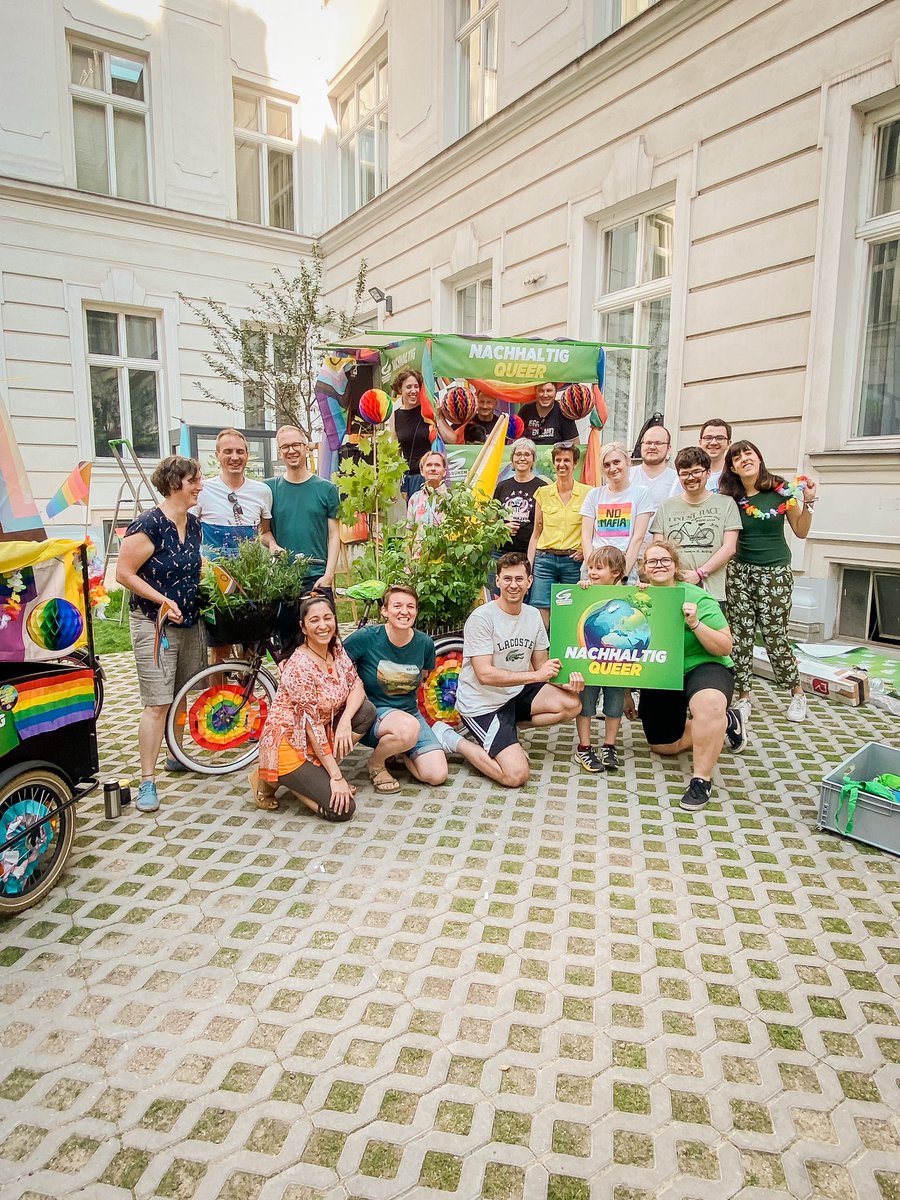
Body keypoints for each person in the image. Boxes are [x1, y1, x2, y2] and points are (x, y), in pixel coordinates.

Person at [116, 455, 207, 814]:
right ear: (173, 484)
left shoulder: (194, 524)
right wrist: (163, 600)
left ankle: (177, 755)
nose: (200, 486)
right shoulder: (148, 525)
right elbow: (124, 574)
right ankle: (147, 780)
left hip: (190, 622)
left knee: (182, 694)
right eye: (193, 480)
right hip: (154, 625)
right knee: (157, 703)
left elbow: (193, 567)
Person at [625, 541, 744, 813]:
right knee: (663, 746)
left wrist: (695, 623)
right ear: (644, 569)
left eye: (665, 560)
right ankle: (726, 722)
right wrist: (625, 692)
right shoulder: (637, 598)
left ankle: (701, 780)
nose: (659, 565)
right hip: (663, 672)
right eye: (652, 561)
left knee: (709, 705)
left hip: (703, 664)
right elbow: (625, 650)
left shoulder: (697, 597)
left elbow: (725, 646)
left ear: (675, 565)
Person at [448, 552, 583, 788]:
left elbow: (542, 665)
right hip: (481, 704)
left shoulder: (533, 615)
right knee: (515, 776)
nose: (513, 585)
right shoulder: (482, 618)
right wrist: (536, 676)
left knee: (572, 703)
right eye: (507, 579)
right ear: (497, 581)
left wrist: (567, 683)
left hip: (514, 694)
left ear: (529, 582)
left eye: (519, 579)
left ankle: (507, 730)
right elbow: (485, 674)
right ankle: (454, 741)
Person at [718, 440, 818, 725]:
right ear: (732, 468)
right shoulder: (730, 498)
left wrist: (809, 502)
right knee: (741, 635)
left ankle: (797, 693)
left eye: (748, 453)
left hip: (775, 572)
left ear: (758, 458)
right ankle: (744, 696)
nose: (744, 459)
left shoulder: (781, 490)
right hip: (739, 572)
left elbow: (800, 531)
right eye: (737, 457)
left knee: (775, 635)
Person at [252, 594, 376, 820]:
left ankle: (308, 775)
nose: (323, 625)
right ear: (303, 627)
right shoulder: (299, 666)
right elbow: (312, 726)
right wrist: (337, 777)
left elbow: (356, 684)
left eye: (328, 618)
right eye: (314, 620)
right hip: (289, 741)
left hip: (317, 734)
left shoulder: (335, 649)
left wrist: (345, 721)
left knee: (365, 712)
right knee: (342, 810)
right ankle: (272, 777)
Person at [344, 585, 448, 793]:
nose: (404, 611)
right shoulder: (366, 637)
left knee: (436, 775)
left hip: (410, 715)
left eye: (410, 606)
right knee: (406, 729)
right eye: (397, 606)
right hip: (373, 717)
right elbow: (336, 663)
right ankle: (376, 764)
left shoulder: (424, 643)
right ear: (384, 610)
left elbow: (423, 677)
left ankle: (400, 748)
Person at [651, 447, 741, 602]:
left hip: (712, 592)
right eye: (684, 473)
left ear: (708, 472)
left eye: (696, 472)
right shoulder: (666, 506)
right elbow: (658, 548)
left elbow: (729, 547)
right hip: (672, 590)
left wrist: (700, 573)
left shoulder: (726, 503)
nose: (690, 477)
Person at [264, 424, 339, 600]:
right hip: (281, 578)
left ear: (306, 448)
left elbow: (334, 535)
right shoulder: (268, 489)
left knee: (322, 620)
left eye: (296, 445)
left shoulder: (327, 489)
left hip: (317, 577)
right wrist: (273, 545)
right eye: (285, 447)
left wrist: (328, 575)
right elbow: (264, 532)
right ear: (279, 452)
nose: (291, 450)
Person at [574, 546, 628, 773]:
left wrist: (644, 589)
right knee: (586, 703)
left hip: (617, 662)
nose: (592, 572)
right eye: (590, 568)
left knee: (615, 705)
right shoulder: (585, 590)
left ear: (616, 573)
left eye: (598, 568)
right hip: (589, 661)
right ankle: (584, 747)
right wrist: (580, 588)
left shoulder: (629, 593)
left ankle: (609, 746)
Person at [527, 442, 591, 629]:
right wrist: (529, 566)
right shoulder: (543, 493)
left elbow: (593, 530)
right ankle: (542, 646)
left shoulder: (589, 493)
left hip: (574, 561)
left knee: (571, 609)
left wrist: (585, 550)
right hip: (545, 559)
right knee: (540, 606)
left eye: (567, 460)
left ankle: (565, 645)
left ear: (575, 463)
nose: (562, 464)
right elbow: (536, 532)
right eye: (558, 460)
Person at [195, 428, 273, 559]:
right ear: (217, 455)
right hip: (212, 569)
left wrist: (273, 545)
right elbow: (187, 531)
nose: (235, 457)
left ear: (247, 455)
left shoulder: (262, 491)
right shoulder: (202, 490)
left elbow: (264, 532)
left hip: (250, 570)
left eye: (240, 452)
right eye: (228, 452)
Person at [580, 442, 654, 578]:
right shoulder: (594, 495)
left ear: (627, 461)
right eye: (606, 465)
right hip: (595, 562)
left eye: (616, 462)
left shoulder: (641, 493)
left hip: (625, 561)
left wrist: (623, 575)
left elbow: (638, 538)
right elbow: (586, 537)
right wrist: (592, 568)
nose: (612, 468)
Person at [491, 438, 542, 594]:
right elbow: (491, 520)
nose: (522, 458)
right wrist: (503, 527)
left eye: (527, 454)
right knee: (499, 595)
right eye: (518, 454)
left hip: (528, 553)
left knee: (524, 595)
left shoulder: (542, 487)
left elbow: (544, 523)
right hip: (501, 552)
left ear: (533, 459)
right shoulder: (502, 486)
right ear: (512, 458)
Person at [390, 369, 433, 500]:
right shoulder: (395, 416)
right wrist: (393, 484)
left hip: (430, 476)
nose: (413, 391)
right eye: (408, 387)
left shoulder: (427, 411)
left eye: (416, 386)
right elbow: (395, 453)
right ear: (400, 389)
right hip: (410, 479)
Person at [633, 424, 677, 512]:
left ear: (669, 448)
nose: (652, 447)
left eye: (658, 443)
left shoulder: (677, 479)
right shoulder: (626, 476)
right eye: (648, 443)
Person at [406, 450, 450, 533]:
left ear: (444, 472)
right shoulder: (414, 499)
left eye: (437, 465)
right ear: (422, 471)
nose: (433, 468)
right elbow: (409, 532)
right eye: (429, 465)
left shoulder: (451, 498)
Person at [698, 418, 732, 492]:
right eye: (708, 438)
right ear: (700, 442)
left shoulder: (736, 474)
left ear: (729, 444)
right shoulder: (689, 474)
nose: (713, 442)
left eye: (720, 438)